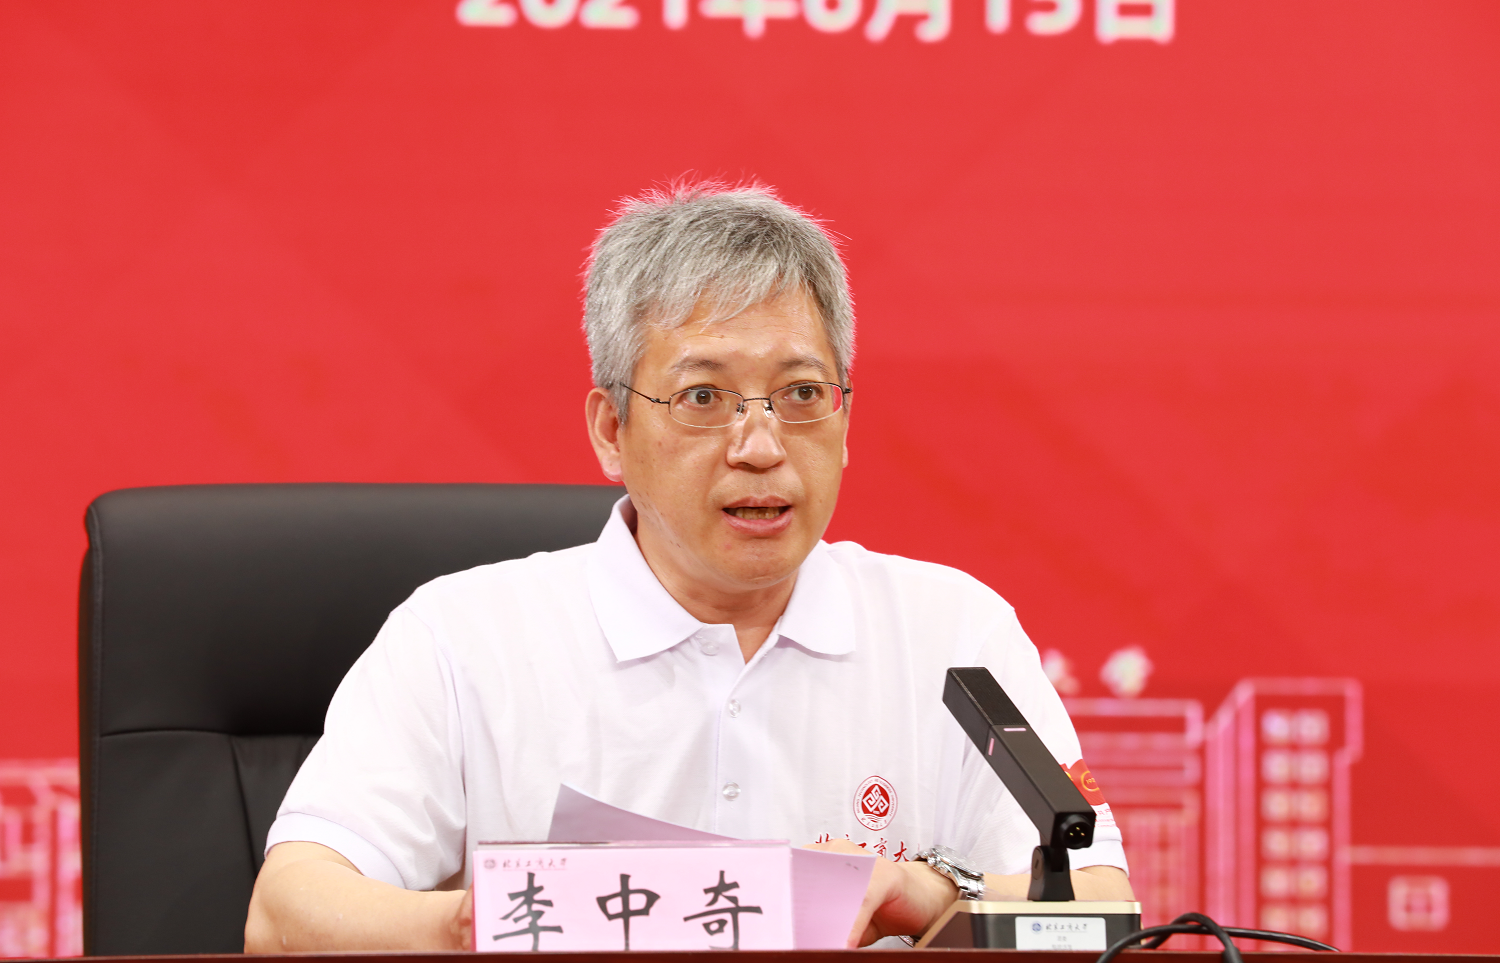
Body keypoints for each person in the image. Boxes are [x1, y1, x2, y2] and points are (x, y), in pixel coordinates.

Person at [243, 183, 1133, 953]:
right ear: (611, 430)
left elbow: (1100, 907)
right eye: (704, 397)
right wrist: (496, 921)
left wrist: (933, 895)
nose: (761, 446)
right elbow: (286, 914)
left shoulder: (953, 632)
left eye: (801, 394)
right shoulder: (463, 637)